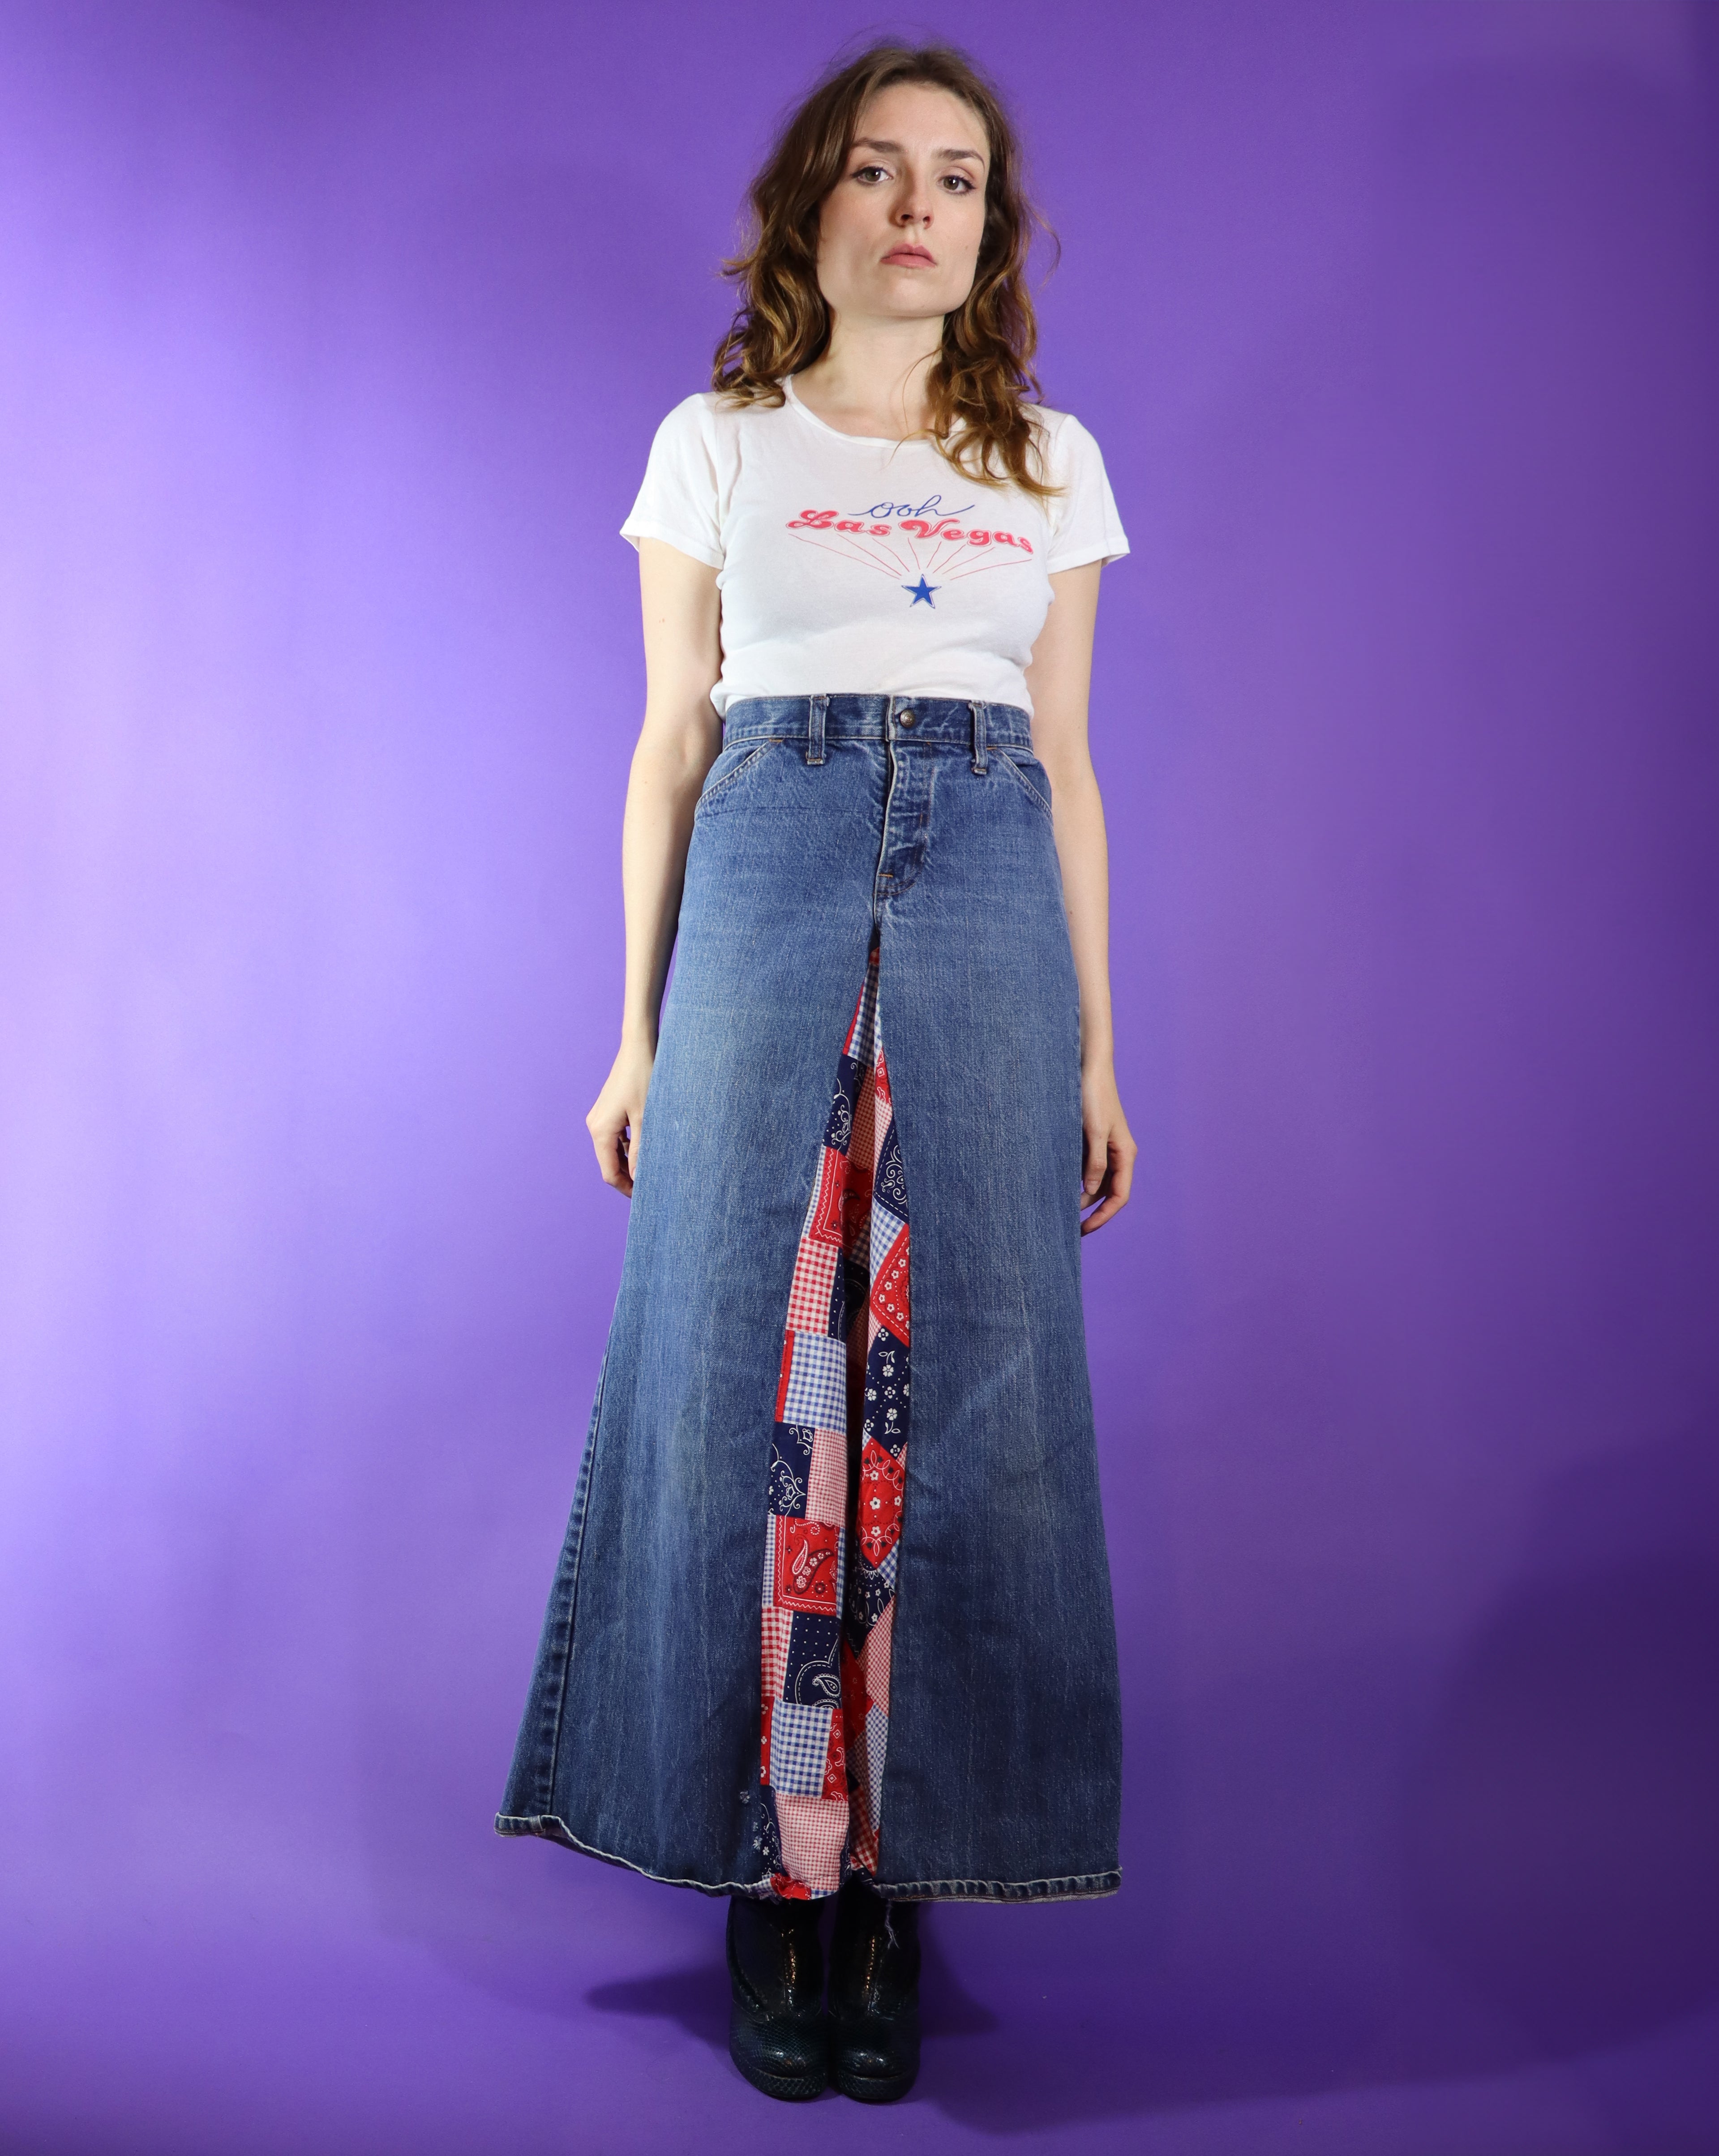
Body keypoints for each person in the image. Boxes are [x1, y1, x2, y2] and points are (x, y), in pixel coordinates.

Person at [497, 39, 1135, 2105]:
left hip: (988, 881)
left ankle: (897, 1881)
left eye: (959, 176)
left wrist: (1101, 1048)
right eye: (879, 168)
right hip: (767, 862)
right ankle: (776, 1877)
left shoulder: (1052, 461)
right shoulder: (718, 445)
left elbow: (1068, 765)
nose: (919, 204)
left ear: (989, 229)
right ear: (815, 205)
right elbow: (671, 743)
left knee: (968, 1370)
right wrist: (633, 1033)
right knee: (751, 1361)